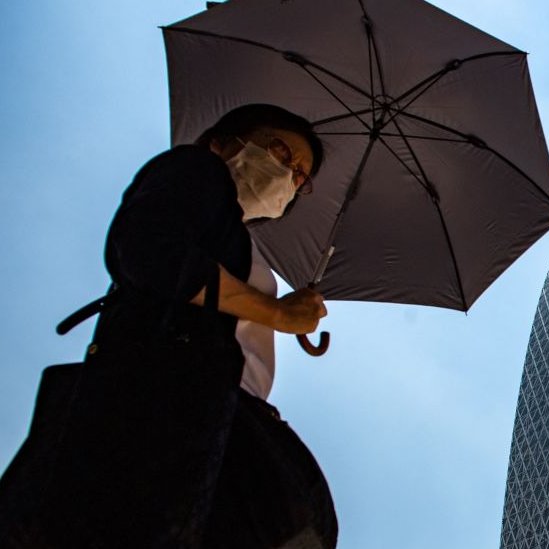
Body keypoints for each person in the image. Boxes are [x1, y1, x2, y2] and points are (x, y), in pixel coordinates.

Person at [0, 104, 338, 548]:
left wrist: (283, 316)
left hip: (220, 424)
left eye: (300, 177)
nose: (289, 175)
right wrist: (274, 314)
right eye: (280, 151)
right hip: (157, 410)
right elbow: (150, 250)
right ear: (223, 141)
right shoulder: (196, 168)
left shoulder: (244, 250)